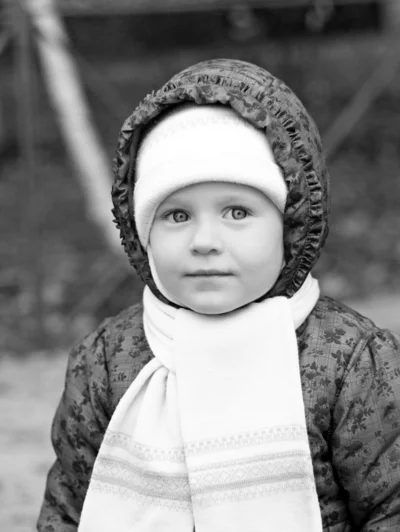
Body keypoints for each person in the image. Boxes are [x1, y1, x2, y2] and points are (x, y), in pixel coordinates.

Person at [37, 59, 400, 532]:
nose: (204, 240)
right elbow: (67, 510)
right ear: (141, 233)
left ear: (289, 225)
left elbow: (390, 506)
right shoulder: (106, 362)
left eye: (236, 211)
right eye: (177, 216)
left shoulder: (348, 362)